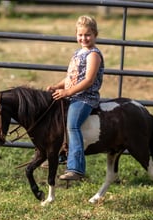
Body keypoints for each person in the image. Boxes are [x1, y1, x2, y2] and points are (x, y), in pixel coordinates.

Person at [46, 15, 104, 180]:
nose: (83, 38)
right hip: (72, 96)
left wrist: (68, 93)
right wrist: (58, 87)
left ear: (95, 35)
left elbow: (88, 80)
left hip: (85, 98)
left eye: (88, 35)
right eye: (80, 35)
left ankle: (76, 168)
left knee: (72, 125)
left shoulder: (93, 55)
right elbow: (71, 77)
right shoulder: (78, 53)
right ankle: (60, 154)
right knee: (55, 119)